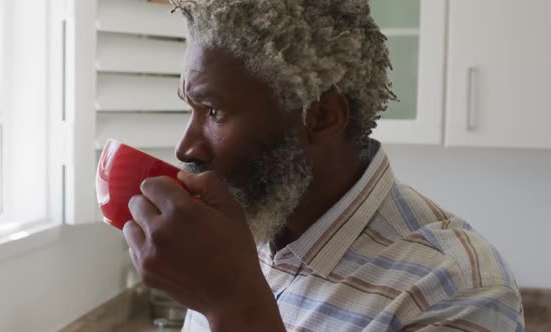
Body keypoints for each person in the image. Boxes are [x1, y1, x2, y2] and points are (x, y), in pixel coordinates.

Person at [123, 0, 525, 331]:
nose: (186, 147)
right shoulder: (235, 231)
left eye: (214, 111)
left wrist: (233, 303)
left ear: (321, 118)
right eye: (190, 108)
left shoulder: (459, 290)